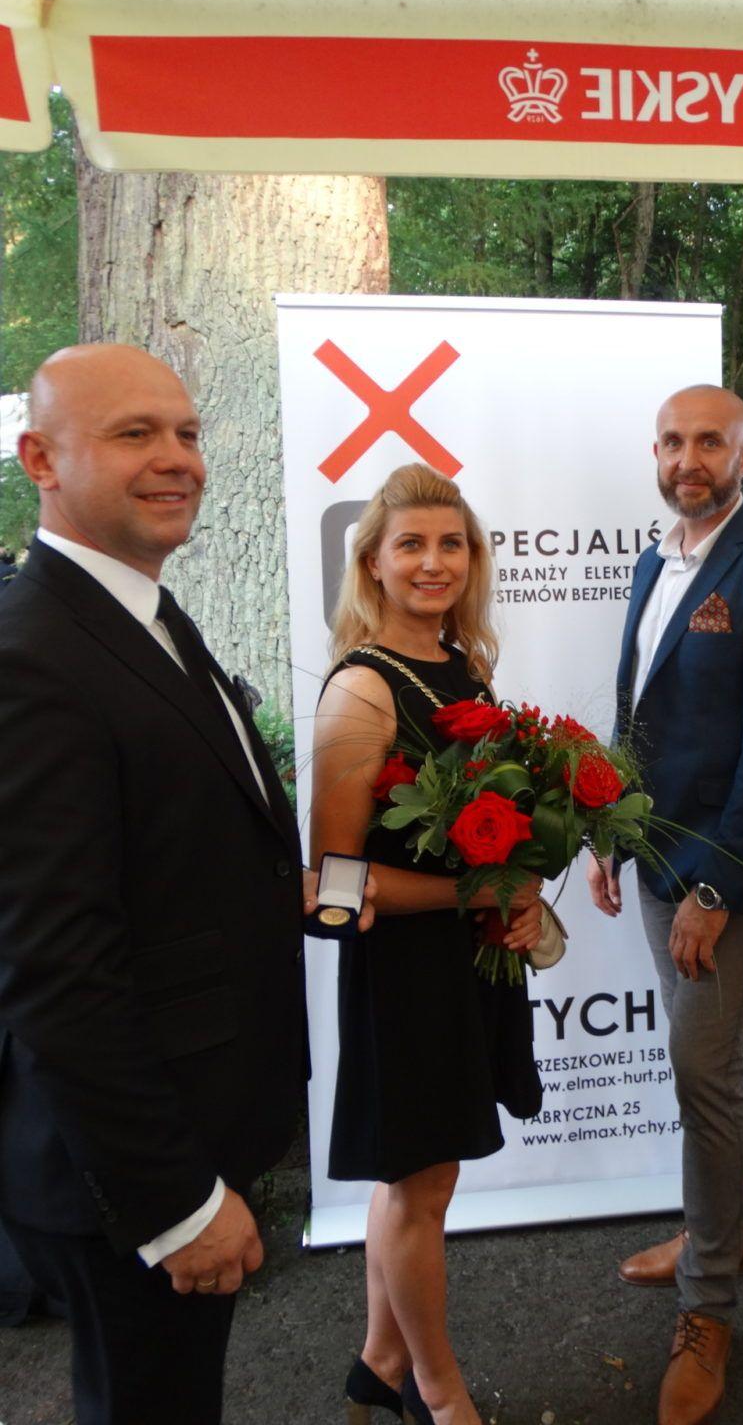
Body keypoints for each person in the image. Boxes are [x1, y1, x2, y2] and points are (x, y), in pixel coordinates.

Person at [0, 344, 328, 1424]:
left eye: (186, 432)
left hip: (194, 1122)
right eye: (135, 433)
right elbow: (57, 973)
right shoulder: (30, 654)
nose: (179, 458)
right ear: (40, 459)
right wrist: (177, 1205)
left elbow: (172, 854)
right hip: (129, 1176)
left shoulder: (140, 610)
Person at [587, 385, 743, 1425]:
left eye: (710, 443)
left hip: (720, 874)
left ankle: (709, 1302)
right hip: (651, 850)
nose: (689, 459)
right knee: (708, 1069)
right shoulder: (657, 559)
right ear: (657, 451)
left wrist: (717, 886)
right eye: (674, 442)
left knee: (703, 1071)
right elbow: (635, 705)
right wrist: (606, 826)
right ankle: (728, 1228)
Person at [310, 463, 545, 1425]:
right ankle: (439, 1394)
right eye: (411, 544)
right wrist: (477, 889)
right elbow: (331, 887)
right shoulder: (362, 690)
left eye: (453, 544)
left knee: (418, 1181)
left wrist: (523, 888)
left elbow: (503, 835)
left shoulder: (466, 669)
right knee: (421, 1191)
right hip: (405, 975)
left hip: (466, 962)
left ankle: (380, 1363)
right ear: (372, 562)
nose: (434, 562)